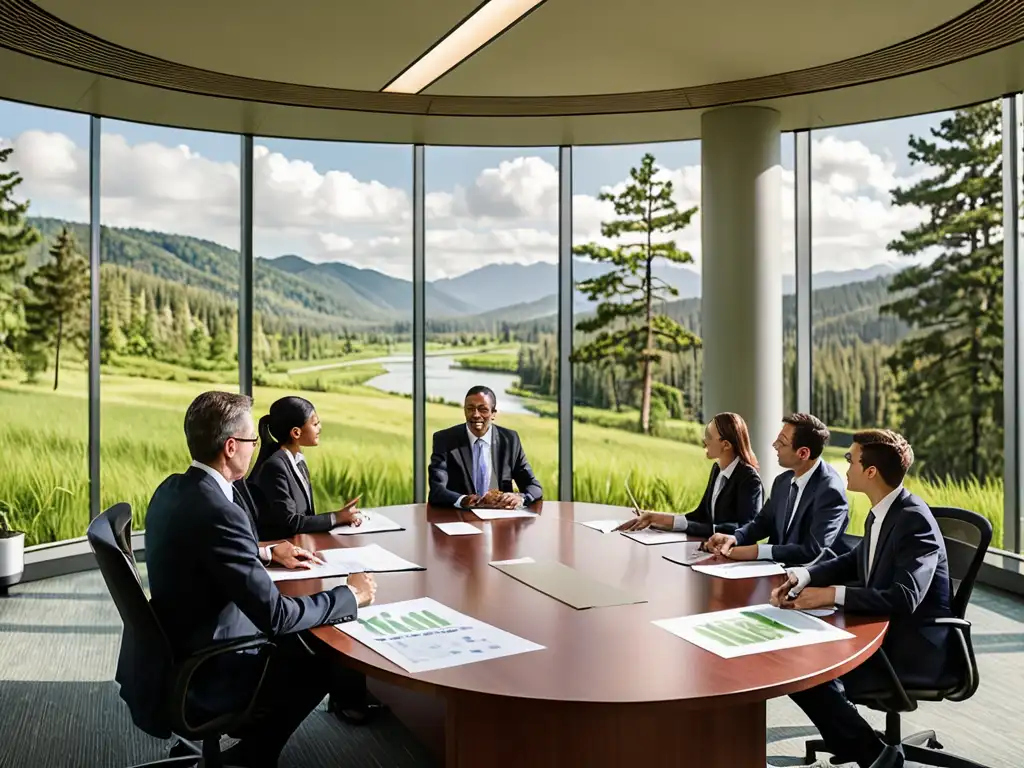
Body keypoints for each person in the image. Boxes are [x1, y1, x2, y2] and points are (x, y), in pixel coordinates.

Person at [142, 391, 377, 768]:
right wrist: (349, 595)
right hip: (210, 663)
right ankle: (253, 757)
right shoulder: (222, 511)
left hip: (175, 644)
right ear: (231, 447)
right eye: (252, 441)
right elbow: (277, 617)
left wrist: (266, 551)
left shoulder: (174, 488)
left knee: (301, 640)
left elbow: (204, 549)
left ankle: (248, 749)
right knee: (320, 656)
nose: (256, 448)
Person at [770, 430, 952, 768]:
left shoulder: (913, 520)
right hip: (883, 631)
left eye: (851, 460)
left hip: (913, 645)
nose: (846, 466)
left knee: (806, 672)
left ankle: (873, 755)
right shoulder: (884, 510)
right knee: (800, 663)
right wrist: (805, 576)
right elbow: (855, 559)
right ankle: (862, 744)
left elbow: (904, 598)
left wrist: (833, 594)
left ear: (871, 472)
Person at [705, 413, 848, 565]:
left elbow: (813, 551)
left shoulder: (830, 491)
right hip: (772, 570)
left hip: (804, 580)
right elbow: (762, 522)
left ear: (803, 453)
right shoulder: (783, 481)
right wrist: (735, 538)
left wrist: (758, 551)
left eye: (781, 443)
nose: (775, 445)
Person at [616, 412, 763, 537]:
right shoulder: (717, 469)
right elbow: (701, 515)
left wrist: (677, 524)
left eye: (709, 436)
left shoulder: (749, 479)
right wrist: (658, 519)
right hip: (710, 548)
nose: (704, 441)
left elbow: (745, 529)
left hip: (734, 559)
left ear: (726, 445)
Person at [249, 396, 361, 540]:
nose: (320, 428)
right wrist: (336, 517)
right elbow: (289, 522)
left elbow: (306, 515)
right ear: (296, 432)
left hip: (302, 543)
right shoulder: (275, 466)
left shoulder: (297, 459)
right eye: (315, 424)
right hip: (284, 548)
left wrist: (341, 518)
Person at [428, 385, 543, 509]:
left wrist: (521, 498)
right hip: (460, 519)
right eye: (470, 409)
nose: (476, 415)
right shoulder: (445, 439)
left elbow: (534, 486)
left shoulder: (509, 440)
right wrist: (464, 500)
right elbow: (437, 491)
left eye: (483, 409)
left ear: (493, 414)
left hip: (501, 521)